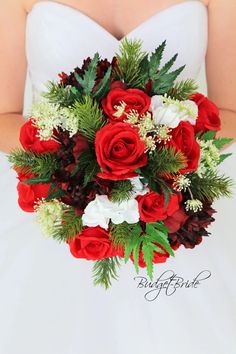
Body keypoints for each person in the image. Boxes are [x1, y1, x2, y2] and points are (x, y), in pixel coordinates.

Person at [0, 1, 235, 353]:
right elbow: (3, 116)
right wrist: (80, 160)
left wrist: (156, 157)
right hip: (57, 206)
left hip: (173, 203)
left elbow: (229, 112)